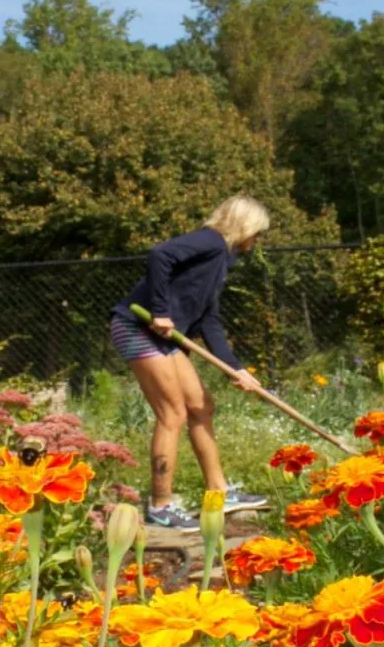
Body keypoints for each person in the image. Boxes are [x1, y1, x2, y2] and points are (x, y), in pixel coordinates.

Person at [110, 196, 270, 532]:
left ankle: (219, 492)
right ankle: (160, 505)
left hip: (164, 336)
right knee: (172, 414)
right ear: (245, 226)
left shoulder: (221, 260)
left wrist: (235, 368)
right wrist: (160, 311)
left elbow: (209, 319)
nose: (257, 241)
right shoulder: (211, 240)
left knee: (201, 406)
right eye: (257, 233)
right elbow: (160, 255)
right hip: (137, 327)